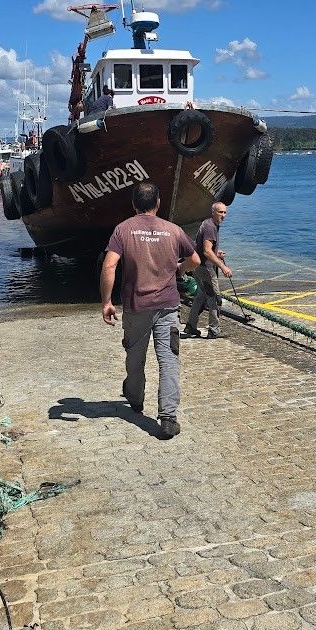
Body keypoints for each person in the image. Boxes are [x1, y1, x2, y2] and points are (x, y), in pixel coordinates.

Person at [100, 182, 200, 440]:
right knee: (169, 361)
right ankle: (168, 418)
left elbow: (109, 266)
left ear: (134, 204)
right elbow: (196, 260)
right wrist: (179, 269)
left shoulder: (123, 230)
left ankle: (134, 398)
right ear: (158, 203)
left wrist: (106, 302)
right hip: (168, 306)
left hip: (136, 308)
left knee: (135, 358)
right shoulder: (173, 230)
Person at [183, 202, 231, 339]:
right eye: (220, 212)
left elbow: (206, 249)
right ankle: (214, 330)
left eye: (225, 212)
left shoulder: (208, 224)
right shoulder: (210, 227)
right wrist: (223, 266)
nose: (223, 215)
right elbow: (207, 251)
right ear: (213, 212)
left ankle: (191, 327)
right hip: (205, 269)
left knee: (201, 296)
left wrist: (217, 253)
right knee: (215, 298)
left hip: (198, 266)